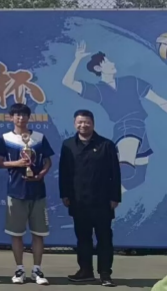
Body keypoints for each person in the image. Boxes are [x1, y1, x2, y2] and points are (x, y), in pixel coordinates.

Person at [62, 41, 167, 191]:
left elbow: (160, 101)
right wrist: (77, 59)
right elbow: (68, 82)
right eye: (107, 62)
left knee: (137, 178)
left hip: (140, 127)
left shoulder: (131, 81)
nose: (112, 63)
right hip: (126, 128)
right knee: (125, 167)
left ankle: (105, 197)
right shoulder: (98, 91)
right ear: (98, 68)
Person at [0, 103, 54, 285]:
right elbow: (0, 163)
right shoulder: (5, 138)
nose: (20, 118)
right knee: (16, 234)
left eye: (24, 115)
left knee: (38, 234)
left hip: (38, 192)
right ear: (11, 118)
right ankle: (19, 269)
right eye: (17, 115)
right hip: (16, 192)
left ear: (29, 117)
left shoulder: (39, 138)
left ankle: (37, 270)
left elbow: (48, 162)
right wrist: (17, 163)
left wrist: (41, 174)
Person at [59, 109, 121, 287]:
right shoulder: (68, 145)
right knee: (83, 238)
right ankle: (85, 271)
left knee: (104, 238)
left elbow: (115, 173)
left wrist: (115, 197)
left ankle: (105, 273)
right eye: (80, 122)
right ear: (74, 124)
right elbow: (64, 172)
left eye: (87, 122)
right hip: (78, 201)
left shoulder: (106, 145)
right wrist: (65, 194)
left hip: (102, 201)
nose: (83, 125)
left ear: (93, 124)